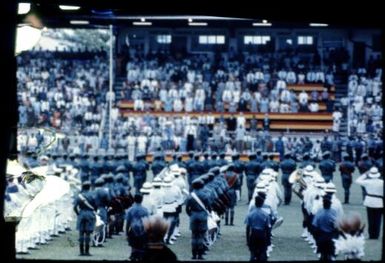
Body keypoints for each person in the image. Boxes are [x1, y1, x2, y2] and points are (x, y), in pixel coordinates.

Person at [355, 167, 383, 239]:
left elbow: (357, 180)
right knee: (377, 220)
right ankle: (376, 235)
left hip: (369, 201)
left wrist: (365, 174)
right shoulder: (382, 182)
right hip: (379, 201)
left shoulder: (367, 182)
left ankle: (371, 235)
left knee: (370, 219)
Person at [185, 179, 210, 260]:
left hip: (193, 215)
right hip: (202, 215)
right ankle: (200, 255)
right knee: (201, 236)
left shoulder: (190, 196)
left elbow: (187, 209)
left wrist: (191, 214)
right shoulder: (205, 195)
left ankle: (193, 255)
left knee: (194, 236)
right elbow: (209, 207)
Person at [73, 181, 97, 256]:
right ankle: (87, 251)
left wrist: (78, 214)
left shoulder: (79, 196)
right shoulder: (93, 195)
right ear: (89, 187)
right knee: (88, 234)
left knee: (81, 233)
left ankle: (81, 251)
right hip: (90, 214)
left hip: (82, 213)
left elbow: (74, 207)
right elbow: (96, 205)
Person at [312, 195, 338, 261]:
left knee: (321, 253)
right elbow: (337, 225)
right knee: (332, 253)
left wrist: (316, 237)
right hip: (331, 235)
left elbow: (315, 225)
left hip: (321, 235)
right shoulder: (333, 211)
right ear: (330, 204)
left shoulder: (319, 211)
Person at [245, 194, 271, 262]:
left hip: (253, 234)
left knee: (252, 253)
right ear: (262, 204)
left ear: (255, 203)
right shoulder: (265, 215)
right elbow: (268, 229)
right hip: (262, 234)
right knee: (262, 252)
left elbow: (247, 228)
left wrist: (247, 240)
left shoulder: (250, 214)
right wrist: (268, 240)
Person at [125, 193, 149, 261]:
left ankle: (133, 256)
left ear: (134, 200)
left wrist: (126, 233)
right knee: (141, 247)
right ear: (142, 200)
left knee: (133, 246)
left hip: (133, 230)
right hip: (142, 230)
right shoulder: (145, 210)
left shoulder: (130, 210)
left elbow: (128, 222)